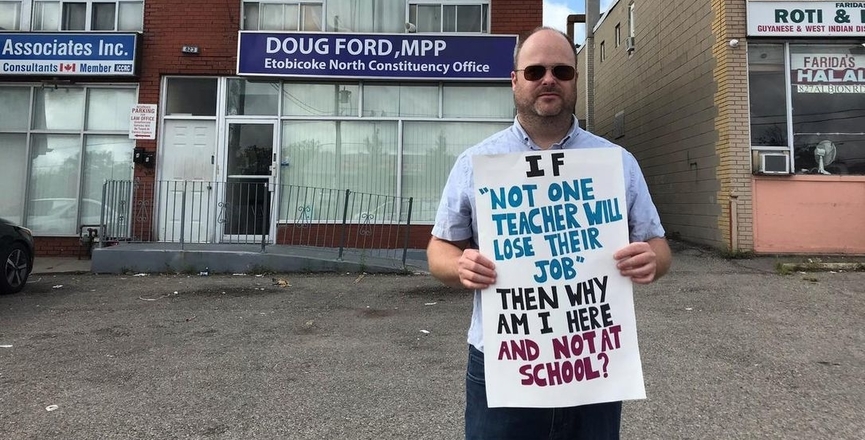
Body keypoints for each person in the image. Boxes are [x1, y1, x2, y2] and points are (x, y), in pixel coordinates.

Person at [426, 27, 672, 440]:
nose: (548, 79)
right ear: (515, 79)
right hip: (504, 360)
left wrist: (652, 260)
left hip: (592, 362)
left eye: (562, 70)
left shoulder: (616, 162)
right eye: (535, 70)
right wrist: (459, 266)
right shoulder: (476, 163)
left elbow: (658, 246)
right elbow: (439, 249)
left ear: (575, 78)